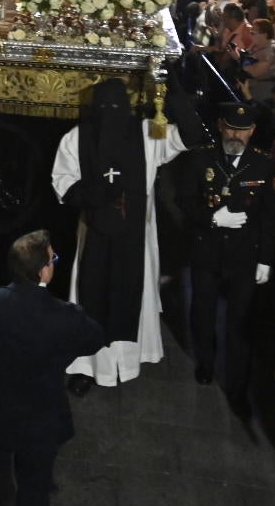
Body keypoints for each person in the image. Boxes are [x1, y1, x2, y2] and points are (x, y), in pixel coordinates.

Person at [0, 230, 106, 506]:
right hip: (40, 421)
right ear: (43, 271)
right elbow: (95, 338)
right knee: (35, 491)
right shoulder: (66, 317)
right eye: (53, 259)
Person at [51, 78, 190, 393]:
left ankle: (127, 362)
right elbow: (62, 182)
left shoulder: (147, 133)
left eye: (117, 107)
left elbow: (188, 138)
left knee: (130, 293)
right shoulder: (78, 138)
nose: (111, 115)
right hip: (95, 232)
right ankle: (88, 367)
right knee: (92, 295)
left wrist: (173, 93)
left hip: (137, 235)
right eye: (105, 108)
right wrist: (97, 194)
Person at [176, 100, 275, 416]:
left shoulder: (263, 164)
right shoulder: (201, 158)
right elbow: (185, 200)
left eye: (243, 130)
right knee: (202, 313)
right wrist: (212, 219)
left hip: (243, 255)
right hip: (207, 249)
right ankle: (205, 364)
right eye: (231, 128)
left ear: (253, 132)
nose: (236, 135)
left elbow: (269, 216)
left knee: (240, 323)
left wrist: (266, 258)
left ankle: (237, 382)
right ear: (221, 126)